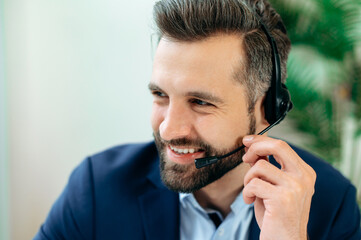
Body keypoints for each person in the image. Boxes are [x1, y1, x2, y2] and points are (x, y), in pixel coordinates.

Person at [34, 0, 361, 239]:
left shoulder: (330, 204)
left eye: (200, 102)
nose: (168, 129)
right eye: (160, 95)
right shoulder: (97, 189)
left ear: (267, 110)